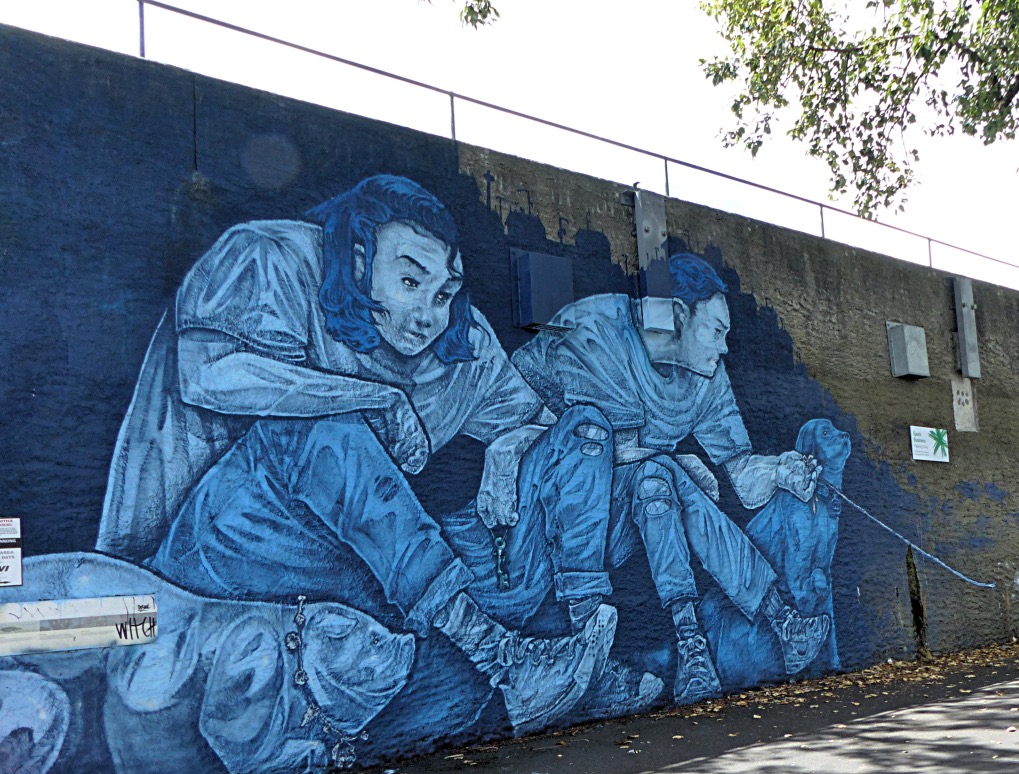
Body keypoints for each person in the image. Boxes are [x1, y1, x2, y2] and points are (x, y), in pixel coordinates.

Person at [97, 175, 615, 736]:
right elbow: (208, 376)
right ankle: (503, 659)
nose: (427, 314)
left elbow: (538, 427)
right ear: (360, 258)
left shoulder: (461, 342)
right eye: (410, 281)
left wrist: (505, 453)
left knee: (586, 433)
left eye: (443, 293)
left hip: (357, 581)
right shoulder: (272, 255)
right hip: (209, 568)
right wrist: (374, 398)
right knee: (327, 425)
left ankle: (586, 660)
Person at [511, 254, 832, 703]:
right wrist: (681, 463)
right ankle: (775, 619)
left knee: (655, 480)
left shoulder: (705, 377)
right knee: (652, 466)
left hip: (612, 523)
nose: (725, 348)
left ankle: (694, 648)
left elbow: (741, 476)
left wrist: (780, 471)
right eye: (715, 331)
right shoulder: (599, 329)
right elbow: (595, 446)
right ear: (678, 314)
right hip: (535, 516)